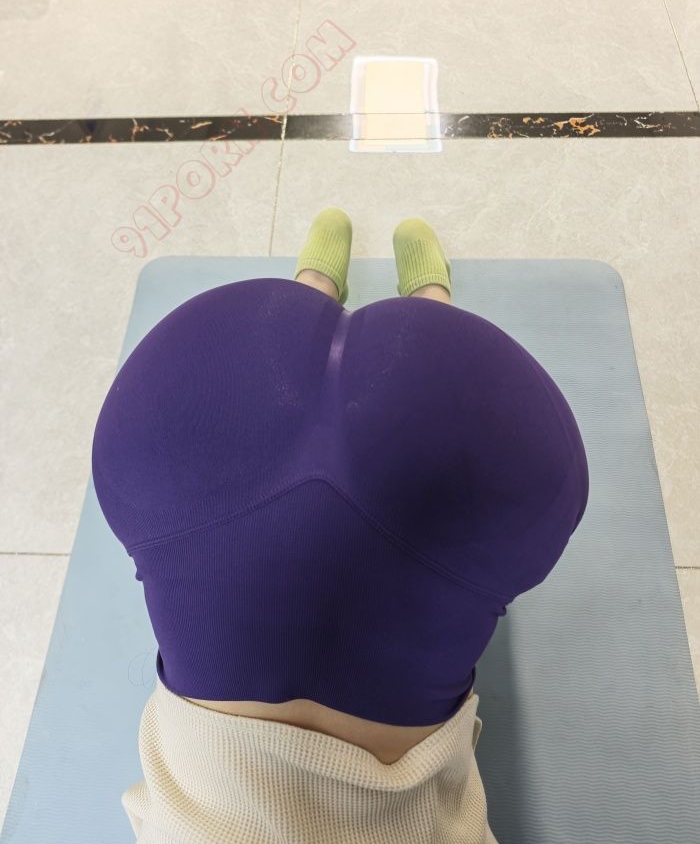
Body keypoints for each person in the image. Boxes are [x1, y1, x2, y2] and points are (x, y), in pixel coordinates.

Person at [92, 209, 589, 843]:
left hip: (190, 472)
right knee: (377, 370)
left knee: (313, 371)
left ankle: (337, 294)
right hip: (180, 467)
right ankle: (409, 304)